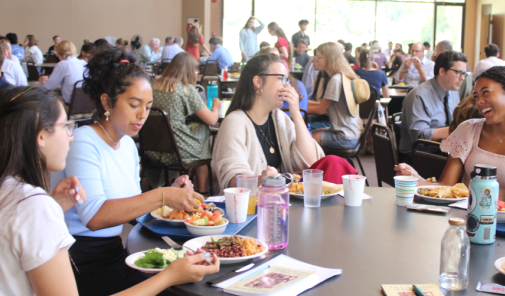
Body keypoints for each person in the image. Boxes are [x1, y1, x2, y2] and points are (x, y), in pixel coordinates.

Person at [0, 86, 219, 296]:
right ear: (41, 137)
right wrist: (168, 277)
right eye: (65, 126)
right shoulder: (34, 205)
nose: (71, 136)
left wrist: (54, 207)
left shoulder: (11, 192)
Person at [50, 46, 207, 295]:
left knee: (193, 280)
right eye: (134, 104)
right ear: (106, 102)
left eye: (148, 106)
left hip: (116, 252)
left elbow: (131, 209)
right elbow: (94, 218)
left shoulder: (126, 144)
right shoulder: (82, 141)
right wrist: (161, 195)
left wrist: (170, 197)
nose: (142, 115)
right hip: (80, 261)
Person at [396, 66, 505, 203]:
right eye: (476, 96)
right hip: (459, 220)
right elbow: (446, 187)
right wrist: (418, 180)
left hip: (503, 231)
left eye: (486, 93)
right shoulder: (469, 129)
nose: (479, 102)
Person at [213, 54, 323, 190]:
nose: (287, 85)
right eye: (280, 78)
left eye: (287, 79)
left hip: (280, 204)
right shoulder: (234, 122)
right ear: (258, 82)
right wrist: (263, 180)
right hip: (250, 207)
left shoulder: (279, 118)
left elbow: (310, 163)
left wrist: (296, 113)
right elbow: (232, 179)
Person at [146, 52, 220, 193]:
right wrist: (216, 108)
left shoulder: (153, 86)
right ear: (190, 70)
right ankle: (202, 191)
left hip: (152, 148)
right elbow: (212, 119)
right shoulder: (186, 89)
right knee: (203, 128)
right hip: (177, 149)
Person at [398, 51, 467, 162]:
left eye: (464, 74)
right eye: (459, 73)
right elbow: (419, 136)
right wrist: (456, 130)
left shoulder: (453, 91)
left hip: (443, 150)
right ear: (442, 71)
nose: (462, 78)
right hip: (418, 156)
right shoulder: (419, 96)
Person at [307, 42, 362, 149]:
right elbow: (325, 106)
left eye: (318, 57)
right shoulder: (343, 76)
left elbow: (320, 110)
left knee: (304, 140)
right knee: (309, 133)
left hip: (344, 137)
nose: (315, 60)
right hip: (353, 133)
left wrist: (296, 108)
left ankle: (318, 165)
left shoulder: (335, 80)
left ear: (329, 58)